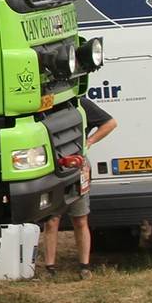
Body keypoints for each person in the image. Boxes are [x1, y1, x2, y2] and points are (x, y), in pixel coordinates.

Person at [40, 99, 116, 280]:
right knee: (51, 221)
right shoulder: (42, 105)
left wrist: (89, 142)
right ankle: (49, 268)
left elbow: (110, 123)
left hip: (78, 167)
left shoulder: (80, 104)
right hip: (52, 168)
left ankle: (84, 267)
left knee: (80, 219)